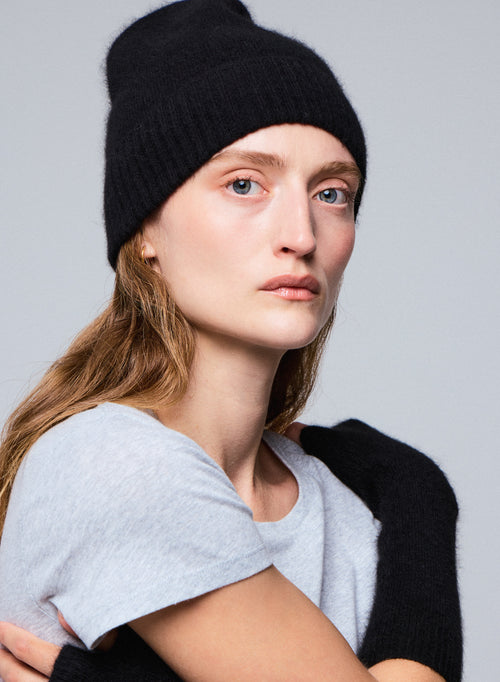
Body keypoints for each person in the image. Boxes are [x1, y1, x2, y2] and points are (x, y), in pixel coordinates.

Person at [0, 1, 462, 681]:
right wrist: (421, 509)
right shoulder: (113, 464)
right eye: (244, 184)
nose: (301, 236)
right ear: (145, 230)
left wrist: (415, 495)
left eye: (332, 193)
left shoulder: (346, 507)